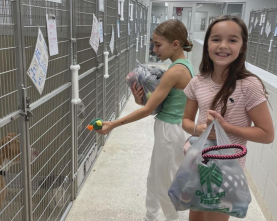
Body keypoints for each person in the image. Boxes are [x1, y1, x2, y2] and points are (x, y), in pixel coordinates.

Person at [96, 19, 194, 221]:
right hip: (168, 128)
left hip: (171, 132)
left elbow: (148, 109)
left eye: (158, 44)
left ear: (175, 44)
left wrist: (113, 124)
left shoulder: (176, 71)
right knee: (154, 178)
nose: (154, 49)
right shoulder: (182, 66)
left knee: (166, 184)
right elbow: (153, 105)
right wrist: (139, 98)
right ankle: (151, 217)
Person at [182, 15, 274, 221]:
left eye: (232, 40)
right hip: (198, 162)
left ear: (242, 46)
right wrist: (200, 130)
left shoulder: (249, 85)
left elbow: (267, 134)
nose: (223, 45)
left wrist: (226, 128)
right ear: (207, 44)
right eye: (216, 39)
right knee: (195, 217)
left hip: (225, 170)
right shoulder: (197, 82)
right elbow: (186, 121)